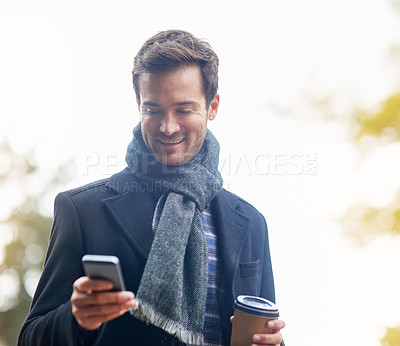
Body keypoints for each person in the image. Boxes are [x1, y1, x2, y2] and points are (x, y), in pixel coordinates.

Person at [18, 30, 285, 346]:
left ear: (212, 106)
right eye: (153, 109)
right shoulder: (83, 211)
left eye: (183, 110)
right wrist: (75, 319)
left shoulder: (250, 223)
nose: (167, 126)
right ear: (138, 104)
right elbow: (31, 338)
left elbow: (266, 330)